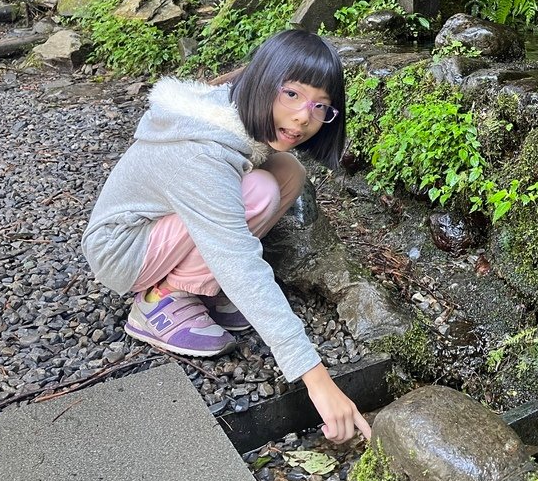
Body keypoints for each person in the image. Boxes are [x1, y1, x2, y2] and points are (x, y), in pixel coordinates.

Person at [82, 28, 371, 443]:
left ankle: (198, 286)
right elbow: (238, 259)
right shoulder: (200, 151)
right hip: (124, 249)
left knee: (287, 172)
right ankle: (161, 299)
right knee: (259, 192)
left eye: (320, 106)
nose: (304, 117)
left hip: (162, 233)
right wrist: (317, 379)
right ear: (261, 80)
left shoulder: (233, 113)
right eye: (291, 94)